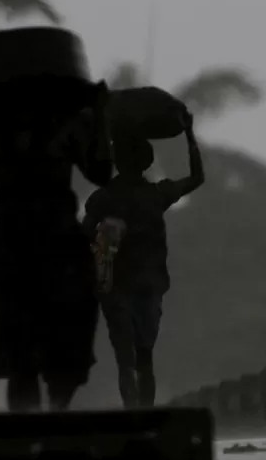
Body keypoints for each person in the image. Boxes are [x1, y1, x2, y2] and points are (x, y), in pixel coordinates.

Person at [0, 86, 114, 412]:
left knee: (61, 358)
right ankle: (35, 429)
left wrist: (99, 118)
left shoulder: (60, 124)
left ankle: (50, 421)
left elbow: (100, 172)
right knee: (21, 361)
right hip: (21, 254)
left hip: (52, 251)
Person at [83, 112, 205, 408]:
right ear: (145, 162)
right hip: (144, 286)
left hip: (120, 288)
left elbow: (84, 238)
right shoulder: (156, 194)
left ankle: (135, 414)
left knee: (127, 360)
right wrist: (189, 137)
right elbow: (196, 178)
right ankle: (144, 416)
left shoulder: (104, 198)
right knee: (142, 358)